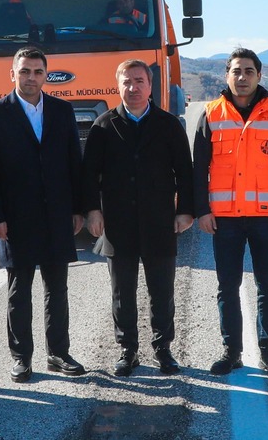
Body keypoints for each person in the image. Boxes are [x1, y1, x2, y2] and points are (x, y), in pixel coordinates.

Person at [0, 47, 90, 381]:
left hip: (56, 215)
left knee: (57, 289)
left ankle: (58, 353)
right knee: (19, 290)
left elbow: (74, 164)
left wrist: (77, 209)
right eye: (24, 71)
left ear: (46, 75)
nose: (31, 78)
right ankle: (21, 357)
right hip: (15, 219)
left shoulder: (61, 111)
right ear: (12, 74)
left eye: (38, 72)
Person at [83, 59, 197, 376]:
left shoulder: (168, 125)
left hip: (159, 221)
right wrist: (92, 211)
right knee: (123, 292)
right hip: (118, 225)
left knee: (162, 290)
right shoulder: (104, 126)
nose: (133, 88)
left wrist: (186, 210)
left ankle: (163, 349)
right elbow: (89, 175)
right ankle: (127, 350)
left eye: (139, 81)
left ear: (150, 86)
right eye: (127, 81)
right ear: (117, 85)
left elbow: (185, 173)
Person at [194, 48, 268, 377]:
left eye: (249, 71)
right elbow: (198, 168)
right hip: (224, 218)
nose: (242, 78)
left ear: (259, 76)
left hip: (267, 218)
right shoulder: (211, 113)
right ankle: (232, 351)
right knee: (227, 286)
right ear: (227, 75)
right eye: (236, 71)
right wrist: (202, 211)